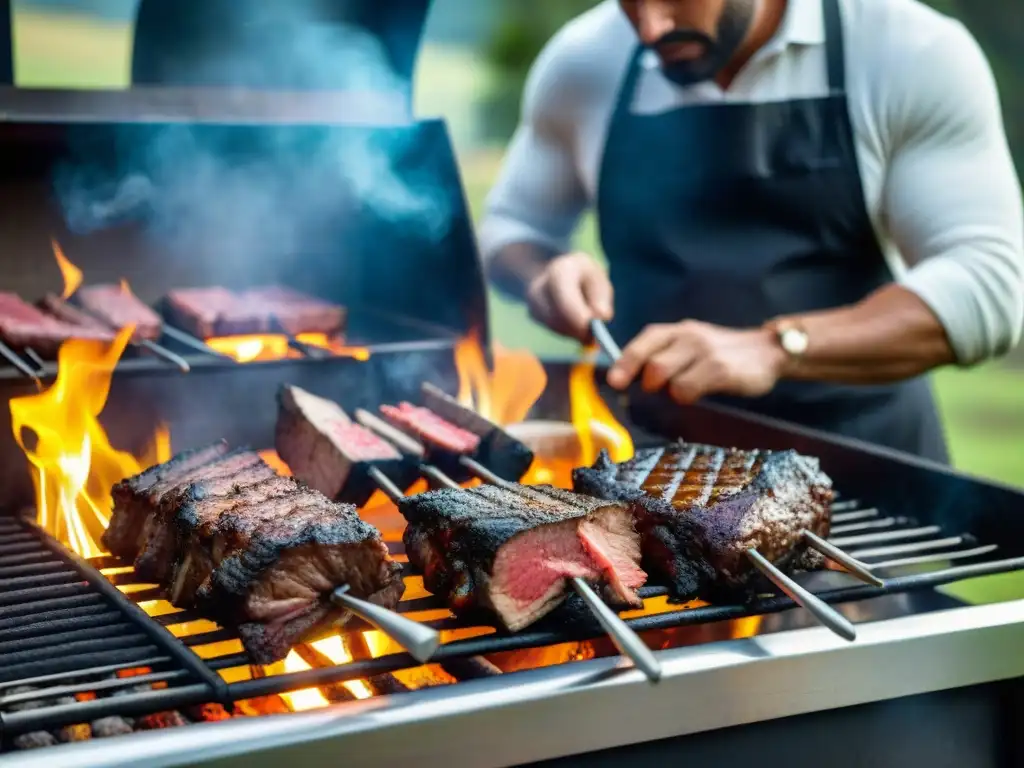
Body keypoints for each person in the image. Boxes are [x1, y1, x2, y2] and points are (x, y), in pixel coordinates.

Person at [478, 0, 1024, 462]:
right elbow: (510, 229)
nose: (650, 28)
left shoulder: (906, 51)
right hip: (653, 462)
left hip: (862, 462)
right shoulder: (585, 60)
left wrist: (774, 347)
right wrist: (542, 274)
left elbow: (991, 290)